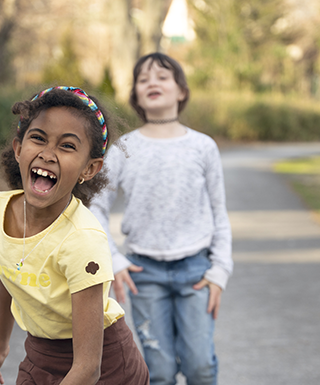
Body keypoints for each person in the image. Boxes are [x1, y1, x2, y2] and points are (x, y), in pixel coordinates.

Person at [0, 86, 149, 385]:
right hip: (41, 354)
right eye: (38, 138)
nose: (47, 154)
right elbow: (9, 274)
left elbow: (87, 368)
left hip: (105, 365)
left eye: (67, 146)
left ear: (89, 169)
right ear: (18, 149)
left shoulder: (83, 239)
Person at [89, 53, 233, 385]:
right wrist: (115, 261)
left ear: (181, 90)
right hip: (144, 274)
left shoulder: (203, 147)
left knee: (201, 367)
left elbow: (219, 214)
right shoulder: (123, 149)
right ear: (136, 96)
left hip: (197, 272)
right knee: (161, 372)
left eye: (163, 76)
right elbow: (95, 205)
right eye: (143, 79)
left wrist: (219, 271)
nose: (152, 82)